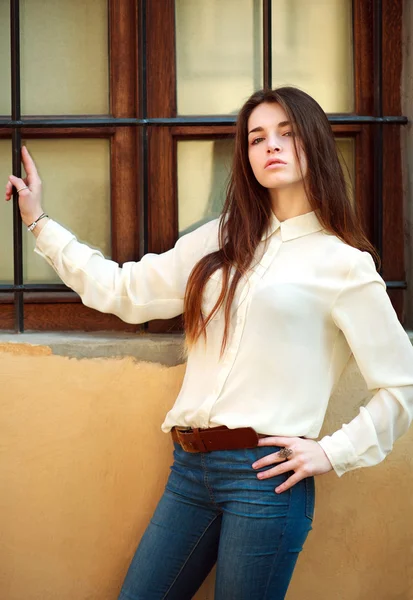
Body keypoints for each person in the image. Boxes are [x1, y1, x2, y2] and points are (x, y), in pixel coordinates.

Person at [5, 87, 413, 600]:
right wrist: (38, 222)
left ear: (314, 144)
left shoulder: (345, 264)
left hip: (266, 481)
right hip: (189, 471)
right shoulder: (219, 237)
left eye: (287, 134)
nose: (272, 147)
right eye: (257, 138)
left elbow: (402, 385)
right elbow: (126, 290)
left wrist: (331, 452)